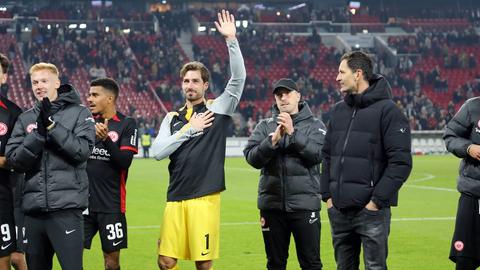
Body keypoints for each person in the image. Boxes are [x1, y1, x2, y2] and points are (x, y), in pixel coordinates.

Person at [151, 9, 246, 270]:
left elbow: (238, 80)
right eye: (185, 80)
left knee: (203, 264)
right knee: (166, 261)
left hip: (204, 198)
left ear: (205, 85)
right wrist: (189, 130)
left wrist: (231, 40)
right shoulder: (172, 118)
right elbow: (157, 152)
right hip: (175, 196)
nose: (189, 85)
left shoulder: (218, 110)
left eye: (195, 81)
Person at [320, 51, 412, 270]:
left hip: (371, 212)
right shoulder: (338, 111)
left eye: (342, 72)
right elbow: (327, 155)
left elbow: (400, 163)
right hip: (339, 210)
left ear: (358, 74)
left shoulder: (389, 112)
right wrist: (328, 196)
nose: (337, 77)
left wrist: (376, 202)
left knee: (375, 267)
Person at [6, 62, 95, 270]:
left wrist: (52, 127)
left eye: (44, 81)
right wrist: (38, 134)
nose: (39, 86)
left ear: (57, 82)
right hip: (33, 213)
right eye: (35, 82)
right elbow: (14, 160)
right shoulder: (26, 118)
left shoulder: (80, 113)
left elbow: (81, 151)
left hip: (66, 211)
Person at [243, 78, 326, 270]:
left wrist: (293, 133)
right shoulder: (265, 126)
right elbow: (251, 158)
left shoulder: (315, 125)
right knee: (275, 264)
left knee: (311, 264)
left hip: (305, 207)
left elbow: (319, 155)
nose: (283, 98)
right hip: (272, 207)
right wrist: (271, 142)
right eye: (279, 95)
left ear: (298, 95)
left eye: (287, 93)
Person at [83, 77, 138, 270]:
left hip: (111, 205)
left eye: (95, 95)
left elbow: (125, 161)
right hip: (82, 204)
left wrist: (106, 139)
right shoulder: (85, 123)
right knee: (70, 255)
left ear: (110, 98)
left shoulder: (127, 124)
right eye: (89, 94)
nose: (89, 98)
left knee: (111, 262)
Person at [443, 97, 480, 270]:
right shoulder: (473, 106)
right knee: (465, 260)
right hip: (472, 197)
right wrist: (469, 148)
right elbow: (450, 136)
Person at [0, 53, 23, 270]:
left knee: (5, 261)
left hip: (3, 197)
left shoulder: (14, 113)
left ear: (4, 78)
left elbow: (19, 159)